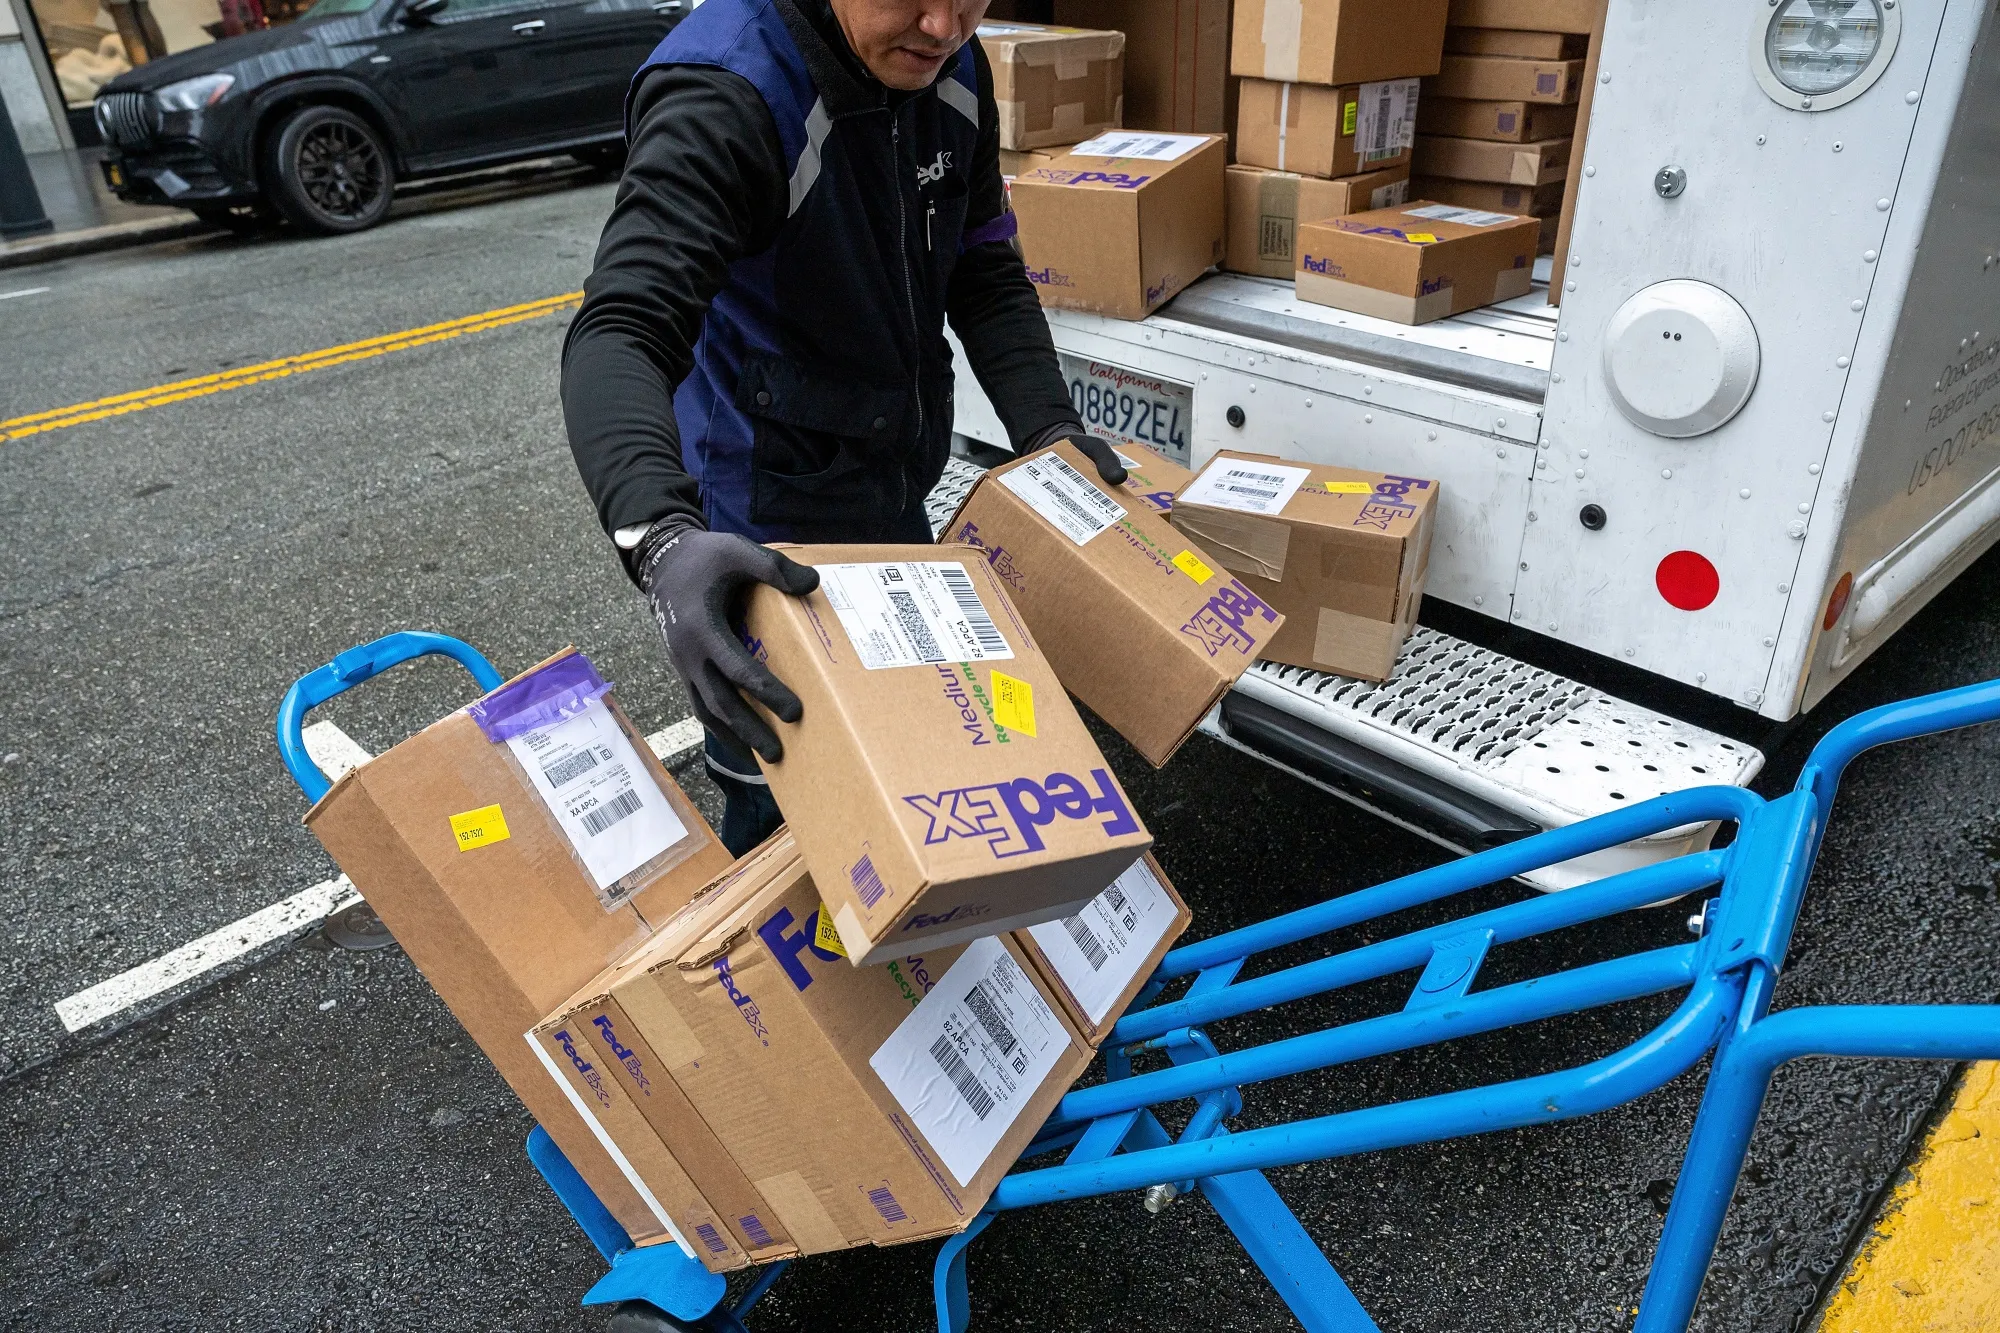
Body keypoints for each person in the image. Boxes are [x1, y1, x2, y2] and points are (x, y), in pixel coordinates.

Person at [561, 0, 1125, 856]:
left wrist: (1048, 431)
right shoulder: (729, 93)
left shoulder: (951, 69)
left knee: (924, 773)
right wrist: (662, 539)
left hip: (889, 481)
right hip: (759, 525)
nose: (943, 26)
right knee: (797, 824)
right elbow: (622, 328)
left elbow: (985, 267)